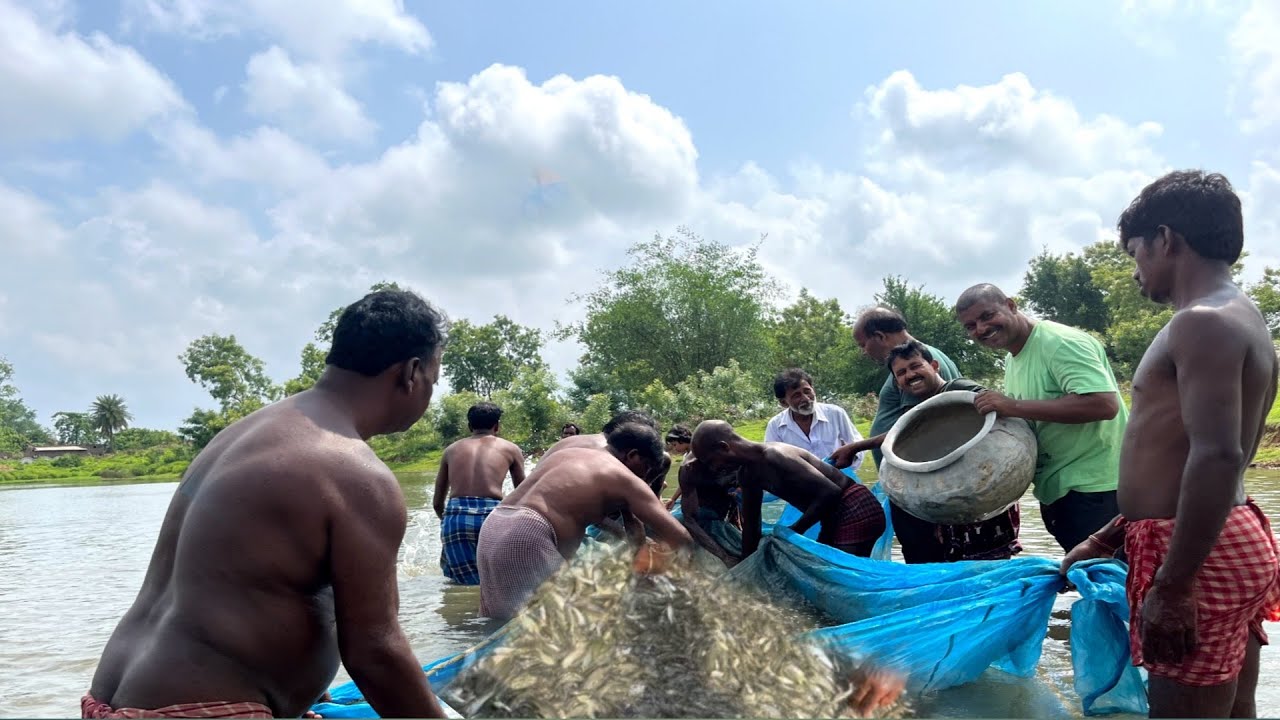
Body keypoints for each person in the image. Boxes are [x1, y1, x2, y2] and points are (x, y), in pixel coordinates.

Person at [83, 289, 451, 719]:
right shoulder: (355, 472)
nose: (430, 392)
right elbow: (375, 651)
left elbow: (249, 592)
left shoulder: (240, 436)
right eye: (434, 379)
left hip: (108, 701)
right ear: (410, 373)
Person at [1060, 171, 1280, 718]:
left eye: (1135, 252)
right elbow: (1213, 455)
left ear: (1165, 239)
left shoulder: (1200, 322)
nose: (1136, 271)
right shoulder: (1242, 315)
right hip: (1225, 532)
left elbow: (1218, 455)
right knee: (1232, 709)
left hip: (1193, 554)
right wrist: (1112, 533)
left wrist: (1174, 585)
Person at [954, 283, 1128, 553]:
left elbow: (1103, 404)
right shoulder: (1014, 358)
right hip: (1059, 492)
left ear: (1011, 306)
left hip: (1097, 490)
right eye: (970, 325)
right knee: (1093, 584)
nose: (981, 328)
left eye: (987, 316)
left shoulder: (1059, 342)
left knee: (1115, 586)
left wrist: (1011, 406)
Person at [476, 422, 694, 620]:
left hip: (495, 525)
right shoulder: (621, 476)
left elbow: (628, 524)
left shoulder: (569, 453)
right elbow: (681, 539)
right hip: (527, 535)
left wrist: (638, 558)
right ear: (633, 455)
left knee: (503, 623)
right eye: (646, 469)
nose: (645, 478)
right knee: (568, 628)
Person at [832, 340, 1021, 562]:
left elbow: (995, 404)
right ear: (898, 383)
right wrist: (857, 446)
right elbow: (901, 435)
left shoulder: (958, 389)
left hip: (980, 490)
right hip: (954, 496)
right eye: (901, 373)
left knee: (983, 568)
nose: (910, 375)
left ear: (934, 365)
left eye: (915, 366)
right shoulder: (922, 408)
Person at [850, 306, 963, 563]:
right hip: (925, 484)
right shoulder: (927, 357)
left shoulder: (912, 365)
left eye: (862, 344)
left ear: (879, 336)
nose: (863, 352)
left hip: (920, 486)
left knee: (923, 552)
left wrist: (856, 447)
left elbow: (916, 428)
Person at [691, 420, 886, 559]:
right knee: (823, 565)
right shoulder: (747, 475)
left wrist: (794, 531)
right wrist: (747, 561)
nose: (714, 469)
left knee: (843, 574)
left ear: (724, 447)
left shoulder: (775, 456)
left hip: (856, 508)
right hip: (833, 516)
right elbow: (751, 525)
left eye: (711, 461)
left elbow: (831, 492)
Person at [433, 402, 526, 585]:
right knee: (496, 581)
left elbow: (437, 503)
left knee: (462, 584)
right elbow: (524, 492)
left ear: (469, 426)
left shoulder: (451, 450)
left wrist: (449, 522)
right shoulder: (510, 448)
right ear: (497, 426)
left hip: (456, 517)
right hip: (492, 516)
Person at [764, 368, 865, 474]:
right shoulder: (776, 426)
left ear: (813, 390)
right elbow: (771, 461)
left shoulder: (835, 413)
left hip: (839, 479)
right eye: (797, 395)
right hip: (798, 485)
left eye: (807, 391)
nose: (806, 398)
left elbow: (856, 443)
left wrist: (849, 458)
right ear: (784, 403)